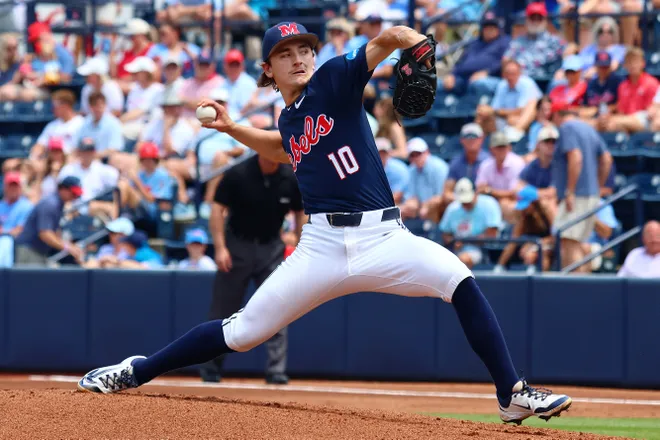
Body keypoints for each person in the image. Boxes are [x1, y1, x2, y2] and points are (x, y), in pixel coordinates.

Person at [78, 21, 572, 425]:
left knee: (459, 280)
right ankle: (136, 370)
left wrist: (418, 46)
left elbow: (389, 38)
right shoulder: (290, 117)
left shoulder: (335, 78)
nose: (299, 57)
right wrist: (232, 128)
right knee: (245, 331)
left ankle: (512, 394)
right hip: (321, 245)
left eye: (304, 48)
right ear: (267, 68)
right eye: (286, 52)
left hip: (384, 236)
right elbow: (280, 147)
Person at [199, 153, 306, 384]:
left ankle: (276, 370)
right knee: (223, 310)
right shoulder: (238, 173)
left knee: (278, 307)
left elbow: (300, 212)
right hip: (237, 246)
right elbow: (217, 209)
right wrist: (219, 248)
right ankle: (211, 368)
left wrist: (300, 244)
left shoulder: (290, 177)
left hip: (271, 248)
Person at [551, 105, 613, 272]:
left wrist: (570, 191)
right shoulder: (588, 128)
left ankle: (575, 289)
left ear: (557, 115)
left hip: (576, 195)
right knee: (576, 243)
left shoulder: (567, 127)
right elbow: (606, 159)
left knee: (568, 242)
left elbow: (575, 157)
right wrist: (598, 187)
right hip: (590, 194)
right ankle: (584, 288)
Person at [14, 176, 84, 265]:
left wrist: (69, 245)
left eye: (77, 195)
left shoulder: (58, 203)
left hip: (36, 251)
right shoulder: (51, 204)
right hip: (29, 250)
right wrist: (68, 247)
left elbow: (53, 232)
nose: (75, 197)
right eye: (73, 194)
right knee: (28, 279)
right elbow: (45, 234)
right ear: (62, 189)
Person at [443, 12, 511, 96]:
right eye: (486, 27)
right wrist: (452, 74)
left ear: (498, 29)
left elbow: (505, 63)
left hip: (489, 77)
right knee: (439, 84)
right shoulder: (475, 43)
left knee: (479, 84)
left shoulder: (505, 42)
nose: (489, 30)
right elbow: (461, 62)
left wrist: (488, 73)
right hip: (464, 77)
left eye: (492, 27)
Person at [440, 178, 502, 269]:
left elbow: (492, 235)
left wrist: (465, 241)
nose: (465, 204)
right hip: (455, 250)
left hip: (481, 250)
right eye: (463, 202)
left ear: (476, 194)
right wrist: (453, 242)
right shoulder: (452, 208)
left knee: (462, 260)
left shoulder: (489, 204)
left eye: (468, 201)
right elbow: (445, 234)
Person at [475, 132, 526, 224]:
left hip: (514, 202)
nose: (501, 150)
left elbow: (514, 194)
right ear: (491, 149)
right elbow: (480, 189)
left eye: (503, 147)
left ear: (509, 147)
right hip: (492, 202)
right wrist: (489, 192)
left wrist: (490, 191)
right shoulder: (486, 165)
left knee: (505, 203)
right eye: (498, 147)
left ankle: (512, 237)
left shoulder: (517, 163)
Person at [400, 137, 449, 222]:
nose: (416, 157)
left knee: (431, 209)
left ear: (427, 152)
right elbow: (411, 196)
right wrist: (410, 205)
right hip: (421, 206)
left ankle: (435, 233)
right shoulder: (411, 170)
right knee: (400, 211)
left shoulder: (439, 167)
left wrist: (426, 206)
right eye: (412, 155)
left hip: (439, 207)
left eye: (418, 154)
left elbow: (442, 196)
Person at [376, 137, 408, 205]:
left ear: (389, 153)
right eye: (379, 153)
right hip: (380, 202)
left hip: (400, 202)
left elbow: (398, 195)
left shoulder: (398, 169)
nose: (382, 155)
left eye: (384, 153)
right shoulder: (369, 169)